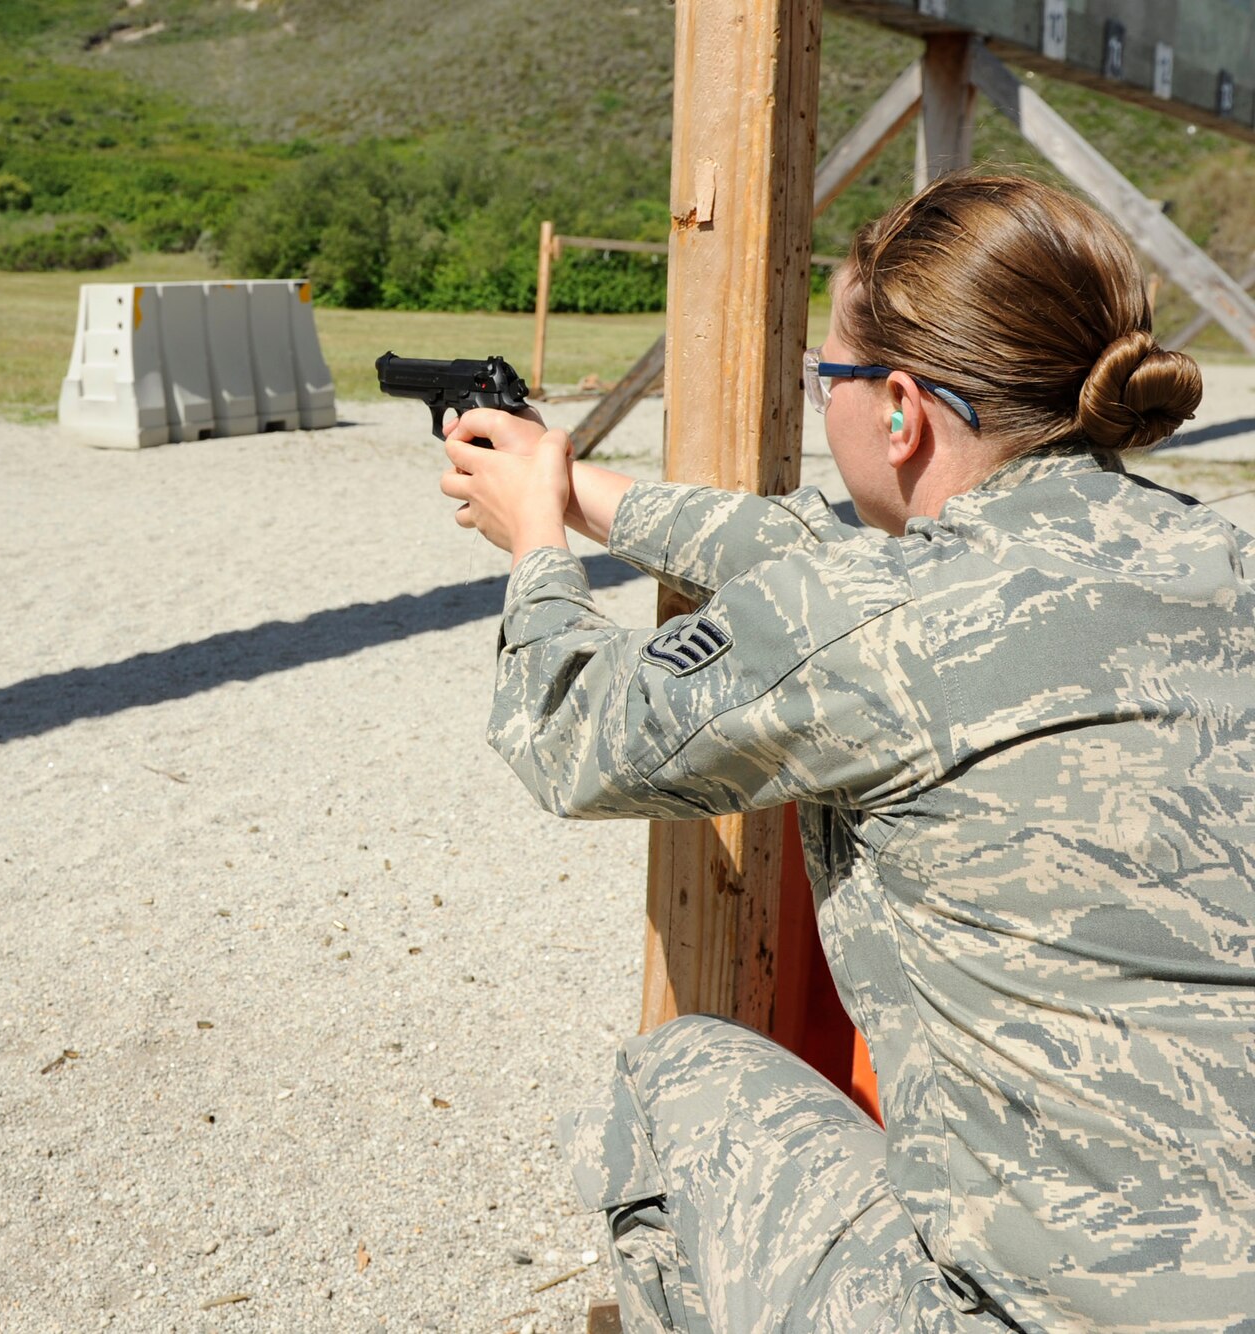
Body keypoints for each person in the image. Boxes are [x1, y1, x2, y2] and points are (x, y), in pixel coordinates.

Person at [439, 172, 1254, 1332]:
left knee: (673, 1083)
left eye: (831, 380)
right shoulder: (1216, 556)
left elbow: (566, 727)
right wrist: (576, 493)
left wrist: (532, 547)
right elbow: (827, 543)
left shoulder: (877, 617)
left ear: (897, 410)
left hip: (1032, 1313)